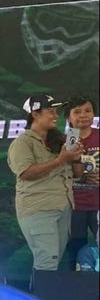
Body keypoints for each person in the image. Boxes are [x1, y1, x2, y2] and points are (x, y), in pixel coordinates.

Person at [7, 93, 83, 272]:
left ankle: (43, 290)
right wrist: (60, 160)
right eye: (51, 111)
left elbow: (77, 174)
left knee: (54, 261)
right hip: (39, 209)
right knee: (47, 262)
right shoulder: (22, 143)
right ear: (35, 114)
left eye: (56, 111)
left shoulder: (59, 141)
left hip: (63, 208)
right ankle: (41, 292)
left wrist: (76, 158)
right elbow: (26, 173)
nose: (56, 116)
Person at [63, 95, 99, 269]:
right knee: (75, 250)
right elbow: (60, 171)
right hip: (75, 206)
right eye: (77, 112)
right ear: (68, 117)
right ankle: (75, 281)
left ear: (94, 114)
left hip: (98, 204)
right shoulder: (66, 140)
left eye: (88, 111)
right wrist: (83, 176)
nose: (83, 115)